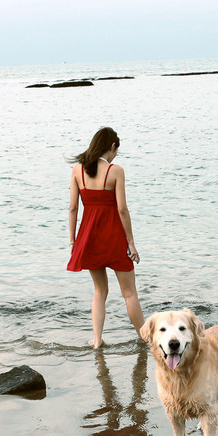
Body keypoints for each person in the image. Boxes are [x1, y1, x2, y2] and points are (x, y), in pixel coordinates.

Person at [67, 127, 145, 348]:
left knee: (100, 291)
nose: (116, 155)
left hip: (89, 238)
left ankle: (97, 340)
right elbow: (122, 209)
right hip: (114, 238)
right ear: (112, 147)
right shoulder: (116, 171)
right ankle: (144, 338)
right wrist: (131, 242)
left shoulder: (77, 170)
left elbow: (73, 209)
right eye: (116, 151)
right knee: (129, 293)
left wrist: (73, 242)